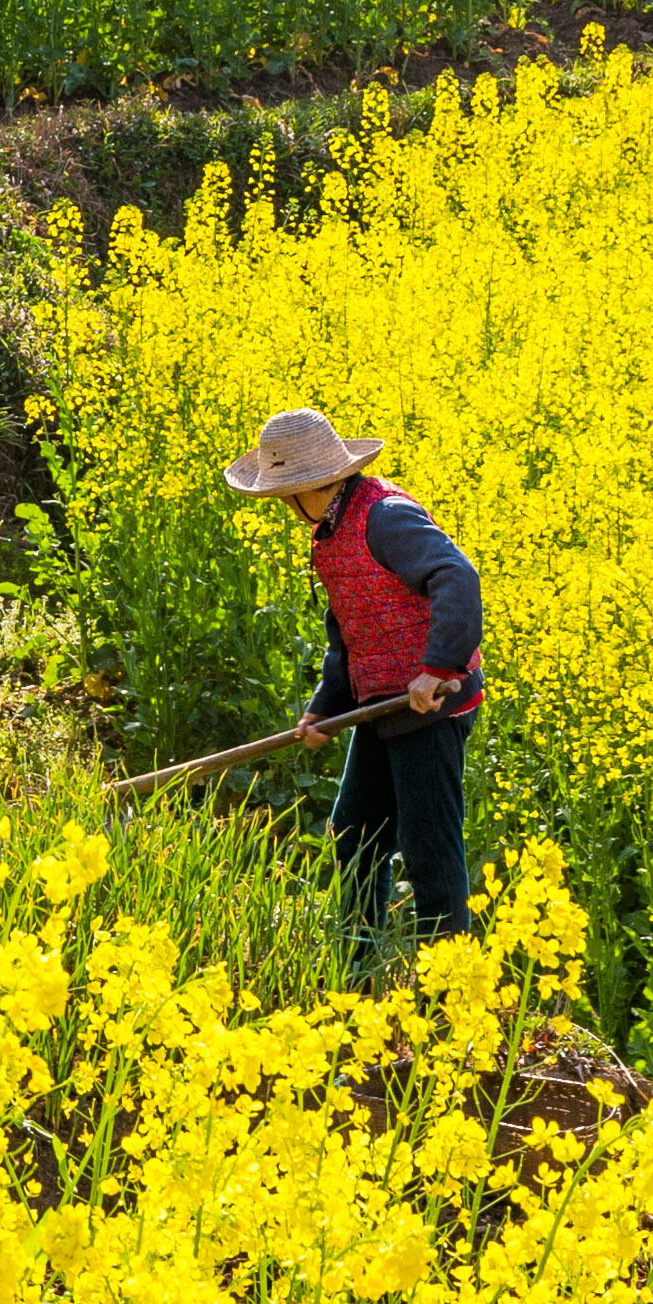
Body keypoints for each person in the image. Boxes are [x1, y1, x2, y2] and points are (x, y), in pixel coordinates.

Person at [222, 403, 484, 954]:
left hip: (428, 703)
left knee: (428, 848)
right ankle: (357, 961)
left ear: (305, 487)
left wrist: (436, 669)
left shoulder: (384, 517)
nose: (280, 505)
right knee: (355, 835)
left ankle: (450, 988)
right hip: (380, 703)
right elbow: (349, 626)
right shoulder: (330, 531)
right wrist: (326, 706)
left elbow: (456, 576)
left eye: (280, 494)